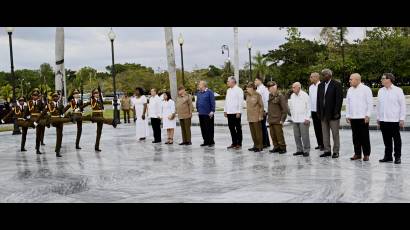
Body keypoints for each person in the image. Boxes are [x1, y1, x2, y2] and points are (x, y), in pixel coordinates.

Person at [377, 73, 406, 164]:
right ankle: (388, 156)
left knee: (397, 139)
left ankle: (397, 157)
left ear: (389, 79)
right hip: (383, 119)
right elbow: (379, 105)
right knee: (386, 139)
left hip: (394, 119)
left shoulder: (398, 90)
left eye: (383, 78)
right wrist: (378, 118)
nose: (381, 79)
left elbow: (402, 106)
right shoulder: (380, 91)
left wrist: (402, 118)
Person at [345, 73, 373, 161]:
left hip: (363, 117)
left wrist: (368, 115)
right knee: (355, 137)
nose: (349, 81)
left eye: (351, 79)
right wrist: (347, 115)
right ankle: (357, 154)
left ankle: (366, 154)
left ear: (357, 80)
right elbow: (348, 104)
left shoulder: (366, 89)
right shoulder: (350, 90)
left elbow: (370, 103)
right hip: (353, 117)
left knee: (364, 137)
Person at [317, 69, 343, 158]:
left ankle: (336, 151)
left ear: (329, 75)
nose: (322, 76)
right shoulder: (320, 86)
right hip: (323, 114)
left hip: (333, 114)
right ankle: (327, 150)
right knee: (325, 133)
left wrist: (336, 112)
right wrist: (318, 112)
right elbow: (318, 100)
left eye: (323, 75)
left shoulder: (337, 84)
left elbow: (339, 100)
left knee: (335, 133)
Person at [46, 92, 72, 157]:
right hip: (54, 120)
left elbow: (62, 112)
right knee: (59, 135)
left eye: (56, 96)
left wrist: (68, 106)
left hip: (60, 120)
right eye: (54, 96)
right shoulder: (50, 104)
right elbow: (47, 112)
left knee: (60, 136)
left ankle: (58, 150)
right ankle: (57, 150)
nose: (55, 97)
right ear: (52, 98)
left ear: (58, 97)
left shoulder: (60, 104)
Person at [289, 82, 311, 157]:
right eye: (292, 87)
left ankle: (306, 150)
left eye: (294, 87)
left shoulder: (305, 95)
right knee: (296, 136)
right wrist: (292, 117)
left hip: (303, 119)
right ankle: (299, 150)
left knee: (305, 136)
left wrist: (307, 118)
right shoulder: (292, 96)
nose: (292, 89)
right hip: (295, 119)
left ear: (299, 87)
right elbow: (291, 107)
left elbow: (309, 107)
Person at [267, 81, 288, 154]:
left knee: (279, 135)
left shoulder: (280, 96)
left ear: (275, 87)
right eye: (270, 87)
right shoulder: (270, 96)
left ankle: (282, 148)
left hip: (278, 119)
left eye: (273, 87)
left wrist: (282, 120)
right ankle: (276, 147)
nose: (271, 88)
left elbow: (285, 109)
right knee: (273, 135)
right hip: (271, 119)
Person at [224, 77, 244, 150]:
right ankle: (234, 142)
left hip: (236, 112)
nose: (227, 82)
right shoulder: (228, 90)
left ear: (233, 82)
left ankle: (239, 143)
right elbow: (226, 101)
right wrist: (225, 110)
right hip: (229, 112)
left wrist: (239, 112)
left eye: (228, 81)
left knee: (238, 128)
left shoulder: (239, 90)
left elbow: (240, 102)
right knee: (231, 128)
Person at [28, 88, 48, 155]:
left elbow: (43, 109)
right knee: (38, 132)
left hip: (39, 118)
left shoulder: (40, 102)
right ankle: (37, 147)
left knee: (38, 134)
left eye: (36, 95)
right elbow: (27, 111)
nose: (35, 96)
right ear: (32, 96)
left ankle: (37, 148)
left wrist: (44, 102)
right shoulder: (30, 102)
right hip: (32, 117)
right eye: (34, 95)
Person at [245, 82, 264, 152]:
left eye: (248, 87)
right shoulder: (247, 95)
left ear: (252, 88)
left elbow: (261, 106)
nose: (247, 89)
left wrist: (260, 116)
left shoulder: (257, 95)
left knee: (258, 133)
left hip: (256, 117)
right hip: (250, 117)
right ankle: (255, 145)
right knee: (253, 133)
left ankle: (260, 146)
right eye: (247, 87)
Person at [196, 80, 216, 147]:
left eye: (199, 84)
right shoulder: (198, 93)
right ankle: (205, 141)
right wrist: (198, 110)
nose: (198, 85)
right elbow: (197, 102)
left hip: (208, 114)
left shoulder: (209, 92)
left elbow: (212, 102)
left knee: (209, 128)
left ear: (204, 85)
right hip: (201, 113)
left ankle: (211, 141)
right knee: (203, 128)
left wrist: (212, 111)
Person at [309, 72, 324, 151]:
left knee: (322, 128)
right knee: (316, 128)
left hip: (320, 111)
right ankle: (319, 144)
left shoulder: (322, 86)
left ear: (316, 77)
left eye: (311, 77)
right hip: (313, 110)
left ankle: (324, 144)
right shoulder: (311, 87)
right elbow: (310, 100)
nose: (310, 78)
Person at [255, 76, 270, 149]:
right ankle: (265, 142)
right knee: (261, 127)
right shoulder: (258, 89)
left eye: (256, 80)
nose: (255, 81)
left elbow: (266, 100)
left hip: (263, 111)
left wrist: (265, 110)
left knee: (263, 127)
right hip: (258, 110)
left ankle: (265, 143)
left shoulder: (264, 89)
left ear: (260, 81)